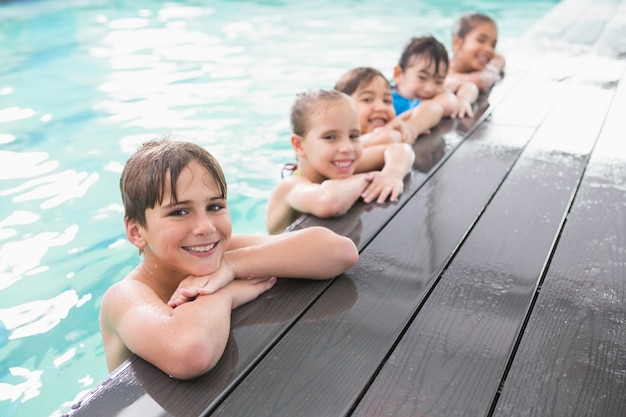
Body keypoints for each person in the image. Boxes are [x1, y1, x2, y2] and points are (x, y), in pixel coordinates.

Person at [100, 137, 359, 380]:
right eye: (179, 212)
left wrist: (233, 265)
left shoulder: (219, 250)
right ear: (136, 232)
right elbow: (191, 352)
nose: (205, 227)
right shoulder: (124, 296)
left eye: (215, 207)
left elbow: (339, 251)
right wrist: (225, 293)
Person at [265, 89, 415, 235]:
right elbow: (330, 202)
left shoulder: (339, 163)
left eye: (354, 135)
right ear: (299, 145)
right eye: (330, 137)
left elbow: (400, 149)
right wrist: (370, 178)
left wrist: (391, 175)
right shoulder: (289, 187)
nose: (347, 148)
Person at [334, 66, 443, 146]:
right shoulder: (335, 147)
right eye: (367, 99)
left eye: (387, 101)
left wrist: (413, 127)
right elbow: (388, 138)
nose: (381, 107)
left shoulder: (395, 125)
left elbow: (434, 107)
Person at [392, 35, 479, 120]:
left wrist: (463, 100)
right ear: (398, 74)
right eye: (422, 78)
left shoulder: (433, 93)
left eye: (439, 81)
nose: (429, 89)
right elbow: (449, 104)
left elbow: (469, 86)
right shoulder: (390, 103)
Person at [447, 12, 506, 92]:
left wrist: (491, 71)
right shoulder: (442, 74)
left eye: (493, 45)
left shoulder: (489, 65)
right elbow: (481, 81)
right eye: (481, 40)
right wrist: (485, 77)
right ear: (457, 43)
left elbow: (500, 59)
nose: (489, 49)